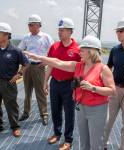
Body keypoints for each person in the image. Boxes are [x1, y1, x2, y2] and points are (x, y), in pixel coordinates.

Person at [24, 35, 115, 150]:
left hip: (97, 110)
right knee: (84, 142)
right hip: (81, 108)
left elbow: (112, 91)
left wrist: (93, 88)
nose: (79, 52)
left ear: (90, 51)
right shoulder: (78, 66)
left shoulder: (103, 69)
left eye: (82, 50)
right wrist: (38, 57)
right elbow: (58, 62)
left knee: (96, 143)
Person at [44, 18, 80, 150]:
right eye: (59, 30)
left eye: (62, 30)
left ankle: (68, 140)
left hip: (69, 85)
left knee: (69, 112)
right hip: (55, 84)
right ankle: (57, 133)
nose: (59, 32)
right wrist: (45, 82)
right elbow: (50, 66)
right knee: (55, 110)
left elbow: (80, 70)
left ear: (70, 31)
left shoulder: (77, 49)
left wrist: (77, 87)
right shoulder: (54, 47)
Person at [103, 17, 124, 150]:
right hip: (114, 89)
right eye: (117, 31)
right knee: (108, 120)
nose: (118, 33)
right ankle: (102, 144)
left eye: (121, 31)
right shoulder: (115, 50)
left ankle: (122, 147)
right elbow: (108, 68)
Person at [0, 22, 28, 137]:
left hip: (9, 83)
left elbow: (26, 64)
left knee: (11, 106)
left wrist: (20, 73)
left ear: (6, 35)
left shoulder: (15, 51)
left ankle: (15, 127)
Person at [18, 14, 53, 125]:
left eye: (32, 25)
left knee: (41, 91)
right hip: (28, 66)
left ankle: (44, 114)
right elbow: (19, 50)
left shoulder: (46, 37)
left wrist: (45, 61)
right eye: (29, 25)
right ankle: (26, 112)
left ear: (38, 25)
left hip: (39, 67)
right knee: (27, 91)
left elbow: (53, 51)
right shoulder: (26, 37)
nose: (29, 27)